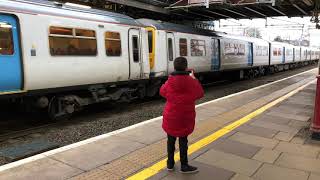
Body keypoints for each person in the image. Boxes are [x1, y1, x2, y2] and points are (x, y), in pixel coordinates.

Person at [160, 57, 204, 173]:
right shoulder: (191, 81)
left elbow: (162, 92)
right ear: (186, 67)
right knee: (183, 141)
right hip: (185, 117)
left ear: (174, 67)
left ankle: (170, 164)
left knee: (170, 141)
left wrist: (168, 81)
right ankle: (184, 165)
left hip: (171, 117)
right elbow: (200, 93)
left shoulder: (170, 81)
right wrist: (194, 79)